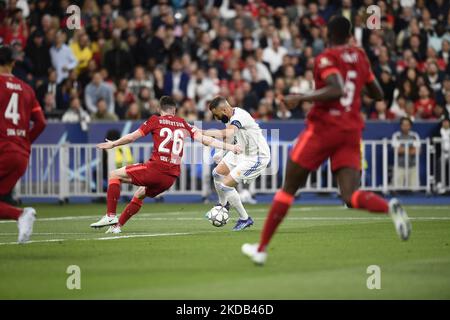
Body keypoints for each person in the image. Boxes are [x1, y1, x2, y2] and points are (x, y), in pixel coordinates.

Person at [241, 17, 412, 265]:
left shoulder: (326, 58)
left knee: (288, 188)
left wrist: (301, 97)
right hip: (351, 130)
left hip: (324, 128)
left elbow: (337, 88)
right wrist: (357, 81)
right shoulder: (361, 57)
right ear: (350, 34)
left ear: (328, 35)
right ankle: (389, 207)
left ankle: (262, 248)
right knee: (350, 196)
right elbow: (378, 93)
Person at [90, 96, 242, 233]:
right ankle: (117, 227)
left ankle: (110, 215)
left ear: (159, 109)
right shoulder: (182, 123)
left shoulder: (155, 120)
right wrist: (231, 147)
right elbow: (206, 140)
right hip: (170, 178)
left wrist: (114, 144)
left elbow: (132, 137)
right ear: (174, 110)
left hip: (155, 169)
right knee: (140, 194)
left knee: (113, 175)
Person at [202, 96, 271, 231]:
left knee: (225, 186)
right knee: (217, 173)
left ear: (224, 109)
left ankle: (245, 219)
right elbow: (229, 137)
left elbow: (227, 132)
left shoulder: (240, 116)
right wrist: (221, 153)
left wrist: (202, 133)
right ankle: (223, 205)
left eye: (217, 115)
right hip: (242, 152)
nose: (217, 118)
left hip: (257, 157)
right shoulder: (229, 118)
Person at [0, 46, 47, 243]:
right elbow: (41, 122)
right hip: (20, 154)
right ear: (13, 62)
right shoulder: (27, 89)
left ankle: (21, 214)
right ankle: (21, 215)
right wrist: (25, 141)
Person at [391, 117, 421, 188]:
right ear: (401, 126)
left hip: (412, 166)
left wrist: (403, 149)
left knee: (415, 190)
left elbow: (417, 151)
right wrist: (410, 148)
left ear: (410, 126)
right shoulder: (396, 136)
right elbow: (397, 150)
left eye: (407, 125)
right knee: (397, 189)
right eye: (403, 125)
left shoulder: (415, 136)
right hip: (399, 166)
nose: (405, 127)